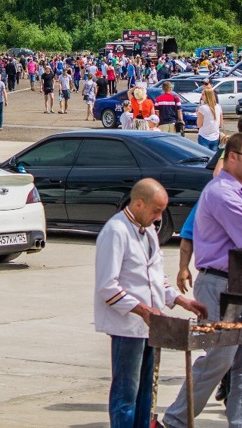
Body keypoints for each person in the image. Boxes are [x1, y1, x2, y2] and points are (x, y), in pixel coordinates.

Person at [162, 134, 242, 428]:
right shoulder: (223, 193)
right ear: (232, 157)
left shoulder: (240, 190)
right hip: (219, 284)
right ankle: (176, 420)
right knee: (220, 357)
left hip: (240, 283)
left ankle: (241, 423)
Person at [94, 178, 207, 428]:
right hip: (127, 327)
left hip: (151, 326)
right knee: (126, 393)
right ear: (139, 204)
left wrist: (180, 300)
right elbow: (106, 285)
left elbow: (158, 278)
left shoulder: (149, 233)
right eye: (156, 210)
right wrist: (142, 309)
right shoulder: (116, 231)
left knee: (147, 392)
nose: (159, 217)